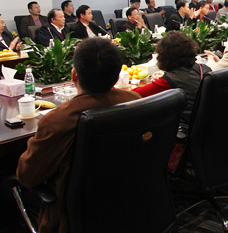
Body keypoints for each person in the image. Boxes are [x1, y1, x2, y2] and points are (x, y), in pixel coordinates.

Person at [16, 38, 140, 233]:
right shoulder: (134, 100)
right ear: (117, 78)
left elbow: (28, 176)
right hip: (129, 203)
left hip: (72, 216)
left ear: (74, 74)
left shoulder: (57, 120)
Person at [133, 32, 210, 135]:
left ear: (163, 56)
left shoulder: (169, 80)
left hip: (186, 131)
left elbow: (136, 95)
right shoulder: (205, 69)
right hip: (209, 127)